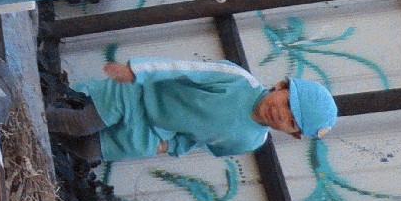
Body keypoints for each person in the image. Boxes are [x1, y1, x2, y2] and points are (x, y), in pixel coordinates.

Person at [46, 57, 339, 164]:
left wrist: (170, 146)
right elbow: (184, 68)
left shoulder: (251, 140)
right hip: (139, 93)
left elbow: (200, 141)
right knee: (83, 123)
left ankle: (45, 141)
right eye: (287, 103)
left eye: (292, 122)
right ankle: (33, 119)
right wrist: (138, 71)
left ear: (293, 134)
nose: (282, 114)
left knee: (90, 151)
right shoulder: (238, 81)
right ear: (281, 86)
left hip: (155, 130)